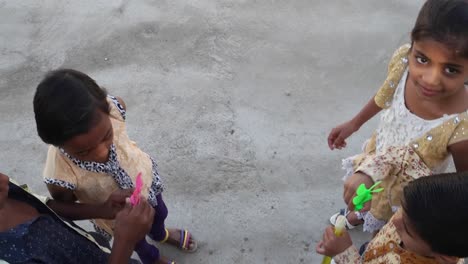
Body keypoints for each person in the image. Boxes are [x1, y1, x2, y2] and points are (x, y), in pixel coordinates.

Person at [327, 0, 468, 232]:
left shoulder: (461, 125)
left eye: (451, 69)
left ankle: (380, 230)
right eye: (422, 59)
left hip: (407, 191)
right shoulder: (403, 63)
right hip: (379, 150)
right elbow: (383, 97)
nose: (430, 79)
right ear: (412, 45)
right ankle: (360, 214)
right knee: (367, 196)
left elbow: (459, 185)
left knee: (388, 220)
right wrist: (354, 124)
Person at [33, 69, 197, 264]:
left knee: (160, 213)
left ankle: (161, 234)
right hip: (119, 215)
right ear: (59, 144)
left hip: (145, 182)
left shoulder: (114, 109)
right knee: (136, 241)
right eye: (84, 152)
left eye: (106, 136)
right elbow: (62, 207)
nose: (101, 152)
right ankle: (151, 258)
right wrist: (103, 209)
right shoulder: (60, 173)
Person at [0, 172, 154, 264]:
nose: (5, 179)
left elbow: (46, 206)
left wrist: (103, 209)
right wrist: (124, 244)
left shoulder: (7, 191)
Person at [316, 172, 468, 264]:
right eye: (402, 209)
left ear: (446, 258)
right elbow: (403, 157)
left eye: (407, 230)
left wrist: (344, 254)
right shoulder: (422, 206)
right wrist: (367, 175)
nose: (394, 221)